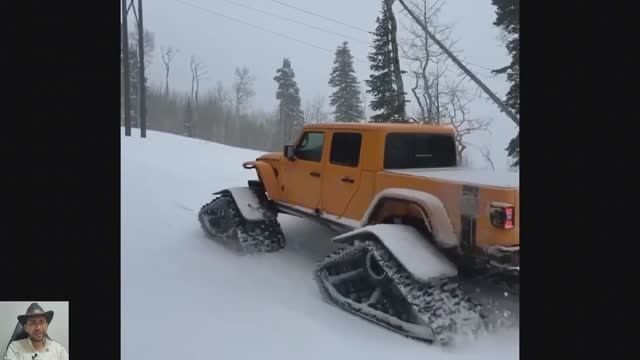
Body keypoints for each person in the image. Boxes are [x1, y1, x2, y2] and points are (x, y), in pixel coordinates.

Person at [4, 303, 68, 360]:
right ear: (26, 328)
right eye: (32, 323)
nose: (38, 328)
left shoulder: (58, 349)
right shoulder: (15, 348)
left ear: (47, 326)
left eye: (42, 322)